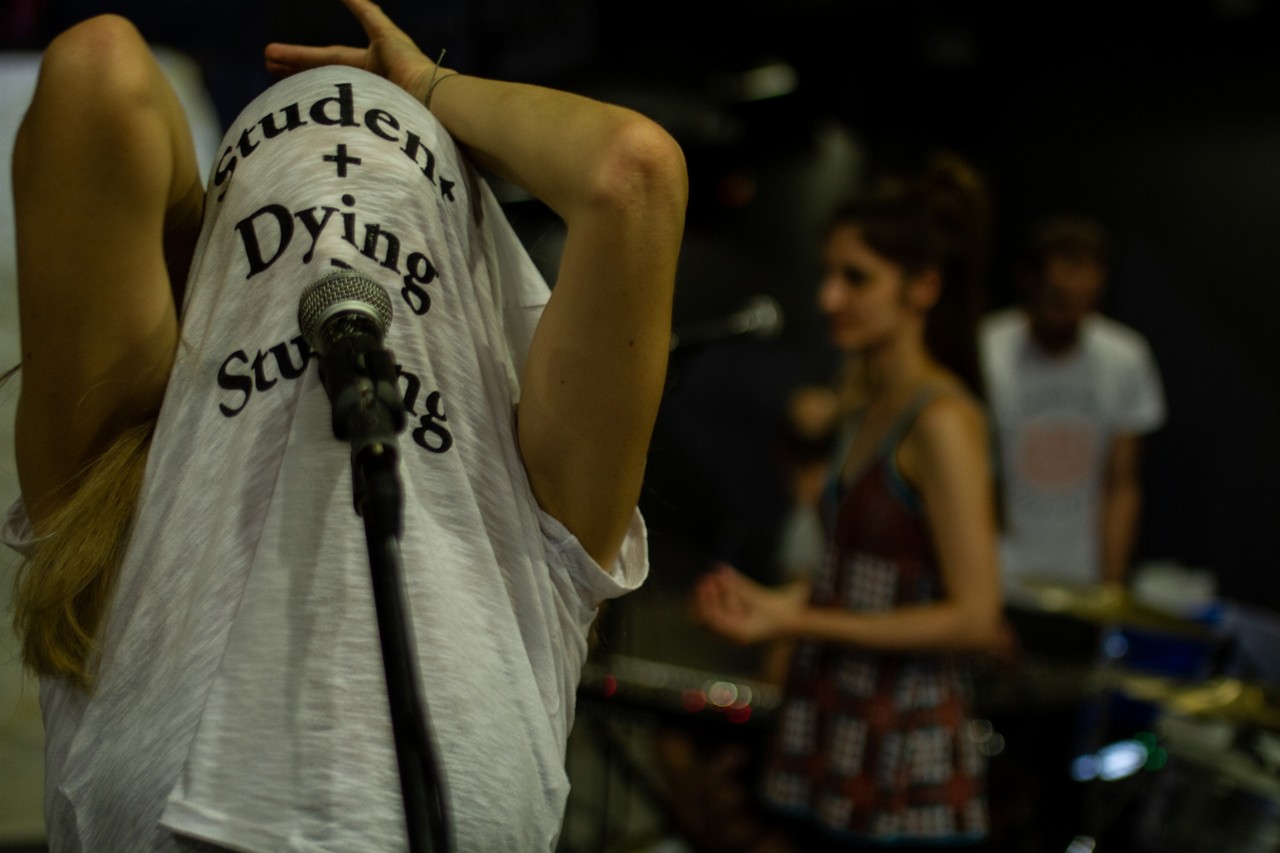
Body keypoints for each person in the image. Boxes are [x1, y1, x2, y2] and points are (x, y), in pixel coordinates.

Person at [3, 0, 687, 849]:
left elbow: (632, 171)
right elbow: (96, 70)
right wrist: (193, 240)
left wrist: (427, 86)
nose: (333, 250)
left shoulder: (534, 506)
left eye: (394, 231)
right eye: (274, 233)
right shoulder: (123, 497)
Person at [693, 153, 1006, 850]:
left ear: (923, 287)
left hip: (905, 743)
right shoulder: (867, 400)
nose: (830, 297)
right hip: (841, 716)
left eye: (857, 278)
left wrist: (799, 617)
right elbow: (867, 578)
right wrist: (776, 603)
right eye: (827, 274)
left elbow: (975, 617)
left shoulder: (943, 418)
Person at [979, 214, 1166, 601]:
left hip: (1081, 582)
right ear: (1029, 280)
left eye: (1084, 301)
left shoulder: (1124, 357)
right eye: (1058, 299)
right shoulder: (986, 349)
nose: (1070, 314)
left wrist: (1110, 591)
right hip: (999, 576)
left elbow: (1122, 485)